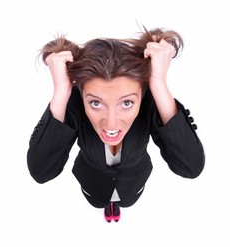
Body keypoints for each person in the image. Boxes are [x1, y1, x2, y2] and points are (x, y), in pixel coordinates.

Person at [27, 27, 205, 223]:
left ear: (141, 95)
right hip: (93, 186)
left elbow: (191, 167)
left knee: (125, 201)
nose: (111, 123)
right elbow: (41, 171)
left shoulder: (148, 103)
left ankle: (116, 205)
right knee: (99, 201)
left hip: (132, 186)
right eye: (96, 103)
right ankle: (107, 205)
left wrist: (159, 84)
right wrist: (61, 90)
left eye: (126, 103)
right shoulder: (75, 104)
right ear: (82, 96)